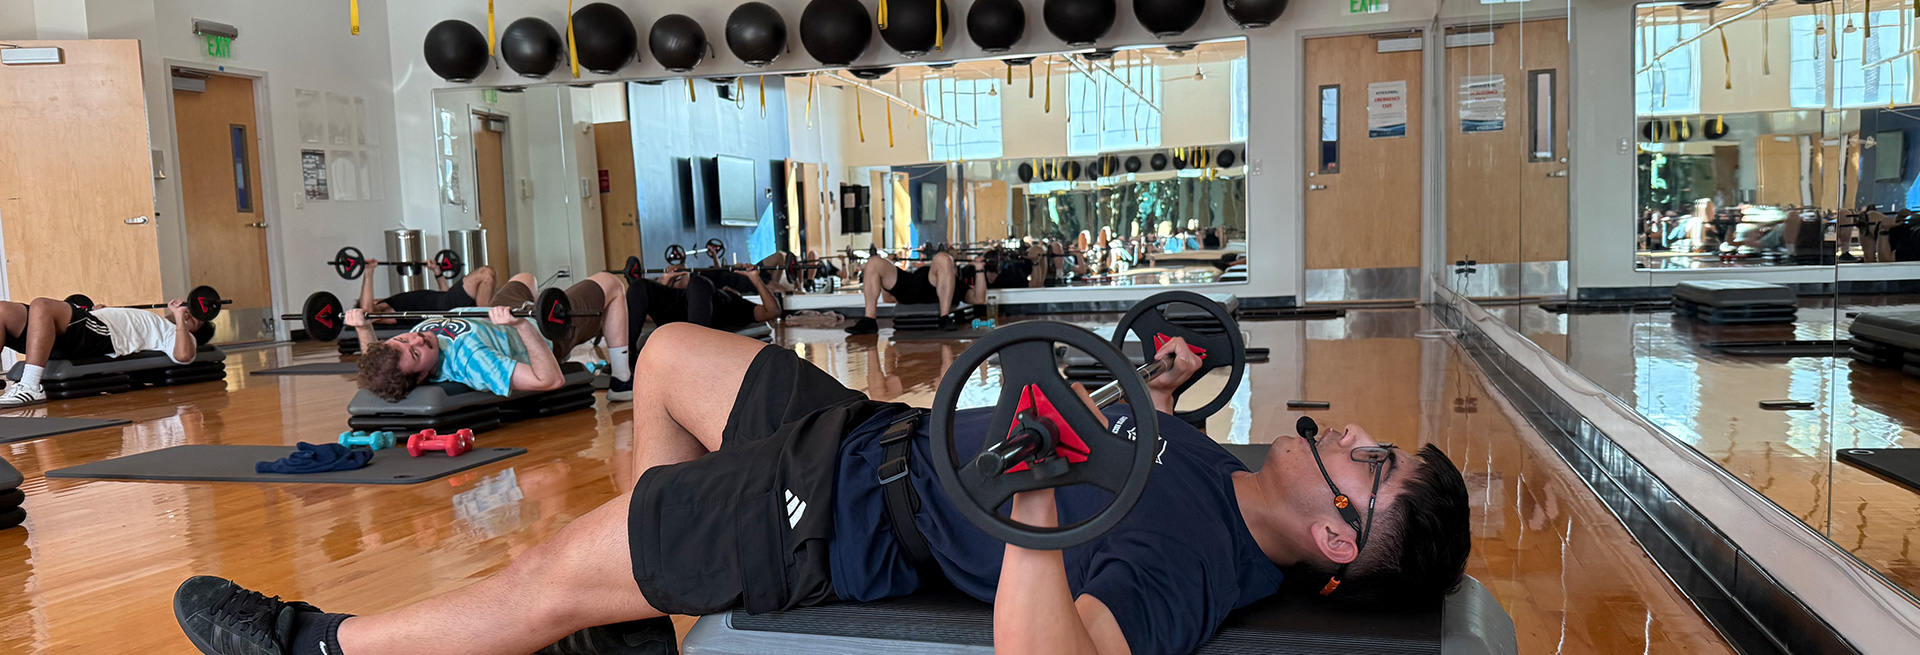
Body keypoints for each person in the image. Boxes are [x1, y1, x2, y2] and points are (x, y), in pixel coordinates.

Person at [171, 323, 1471, 655]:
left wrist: (1034, 501)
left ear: (1335, 536)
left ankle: (313, 640)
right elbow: (1119, 419)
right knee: (665, 358)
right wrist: (1155, 379)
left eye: (1374, 461)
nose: (1355, 433)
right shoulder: (1221, 468)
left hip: (844, 512)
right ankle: (643, 599)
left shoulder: (1194, 564)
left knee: (542, 571)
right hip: (868, 432)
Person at [351, 271, 634, 403]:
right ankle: (621, 381)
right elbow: (550, 380)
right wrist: (522, 326)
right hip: (539, 333)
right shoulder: (473, 362)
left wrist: (363, 328)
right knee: (610, 283)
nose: (417, 339)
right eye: (416, 353)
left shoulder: (401, 353)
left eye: (403, 339)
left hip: (495, 316)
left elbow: (377, 368)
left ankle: (573, 323)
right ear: (423, 376)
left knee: (525, 278)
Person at [0, 295, 218, 407]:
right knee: (2, 310)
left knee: (42, 305)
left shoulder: (176, 333)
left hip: (103, 336)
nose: (188, 314)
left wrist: (180, 320)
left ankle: (30, 386)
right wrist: (102, 312)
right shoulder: (157, 319)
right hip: (89, 326)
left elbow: (184, 356)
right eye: (189, 311)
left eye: (195, 319)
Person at [845, 249, 990, 335]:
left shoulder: (957, 286)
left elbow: (979, 299)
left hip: (931, 288)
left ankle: (944, 317)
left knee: (943, 258)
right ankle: (869, 321)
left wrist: (979, 269)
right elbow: (888, 299)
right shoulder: (922, 273)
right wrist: (889, 265)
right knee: (874, 261)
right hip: (910, 285)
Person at [630, 265, 784, 330]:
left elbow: (773, 311)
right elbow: (646, 314)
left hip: (706, 316)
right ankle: (625, 363)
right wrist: (666, 280)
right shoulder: (677, 299)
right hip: (679, 316)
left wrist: (756, 279)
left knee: (698, 282)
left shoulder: (737, 304)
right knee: (641, 285)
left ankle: (697, 346)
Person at [355, 258, 498, 317]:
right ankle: (487, 320)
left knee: (488, 279)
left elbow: (445, 294)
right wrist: (368, 272)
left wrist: (437, 272)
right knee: (486, 274)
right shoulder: (386, 309)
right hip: (445, 308)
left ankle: (485, 316)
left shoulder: (396, 300)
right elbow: (367, 311)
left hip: (446, 302)